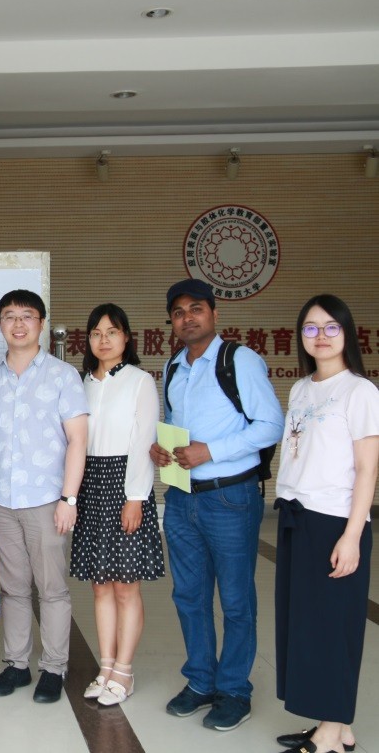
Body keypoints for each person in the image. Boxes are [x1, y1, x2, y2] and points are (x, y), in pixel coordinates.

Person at [151, 278, 283, 732]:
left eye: (196, 309)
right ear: (171, 321)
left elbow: (270, 424)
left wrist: (210, 451)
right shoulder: (173, 366)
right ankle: (201, 681)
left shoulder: (239, 360)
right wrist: (162, 449)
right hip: (182, 497)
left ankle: (234, 690)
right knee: (188, 595)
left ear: (213, 313)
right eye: (178, 312)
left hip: (231, 497)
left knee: (236, 599)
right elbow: (176, 425)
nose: (187, 318)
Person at [272, 295, 378, 753]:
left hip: (335, 521)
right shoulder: (301, 388)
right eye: (311, 327)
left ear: (347, 334)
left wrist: (352, 536)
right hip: (298, 517)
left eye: (331, 327)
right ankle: (334, 723)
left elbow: (368, 469)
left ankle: (332, 732)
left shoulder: (360, 391)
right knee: (308, 626)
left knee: (335, 627)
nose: (320, 336)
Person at [0, 289, 88, 704]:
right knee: (12, 588)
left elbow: (77, 441)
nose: (19, 323)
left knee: (52, 588)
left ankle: (54, 667)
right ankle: (17, 664)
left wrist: (69, 499)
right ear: (0, 325)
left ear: (41, 324)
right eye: (10, 316)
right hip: (0, 498)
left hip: (47, 499)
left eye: (27, 316)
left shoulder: (63, 376)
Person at [70, 303, 165, 707]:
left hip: (125, 483)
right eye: (96, 333)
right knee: (100, 585)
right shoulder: (81, 383)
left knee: (126, 585)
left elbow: (144, 441)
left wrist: (135, 497)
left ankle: (124, 670)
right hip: (90, 484)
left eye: (112, 332)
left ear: (127, 337)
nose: (103, 339)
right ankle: (105, 666)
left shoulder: (140, 381)